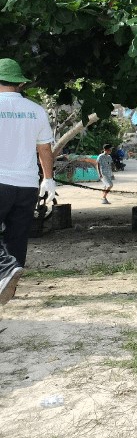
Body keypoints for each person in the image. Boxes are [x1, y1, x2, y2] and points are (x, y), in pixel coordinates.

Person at [0, 58, 55, 304]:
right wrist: (49, 179)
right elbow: (45, 149)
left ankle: (5, 271)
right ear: (19, 83)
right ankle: (10, 281)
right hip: (27, 185)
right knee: (18, 234)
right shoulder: (36, 111)